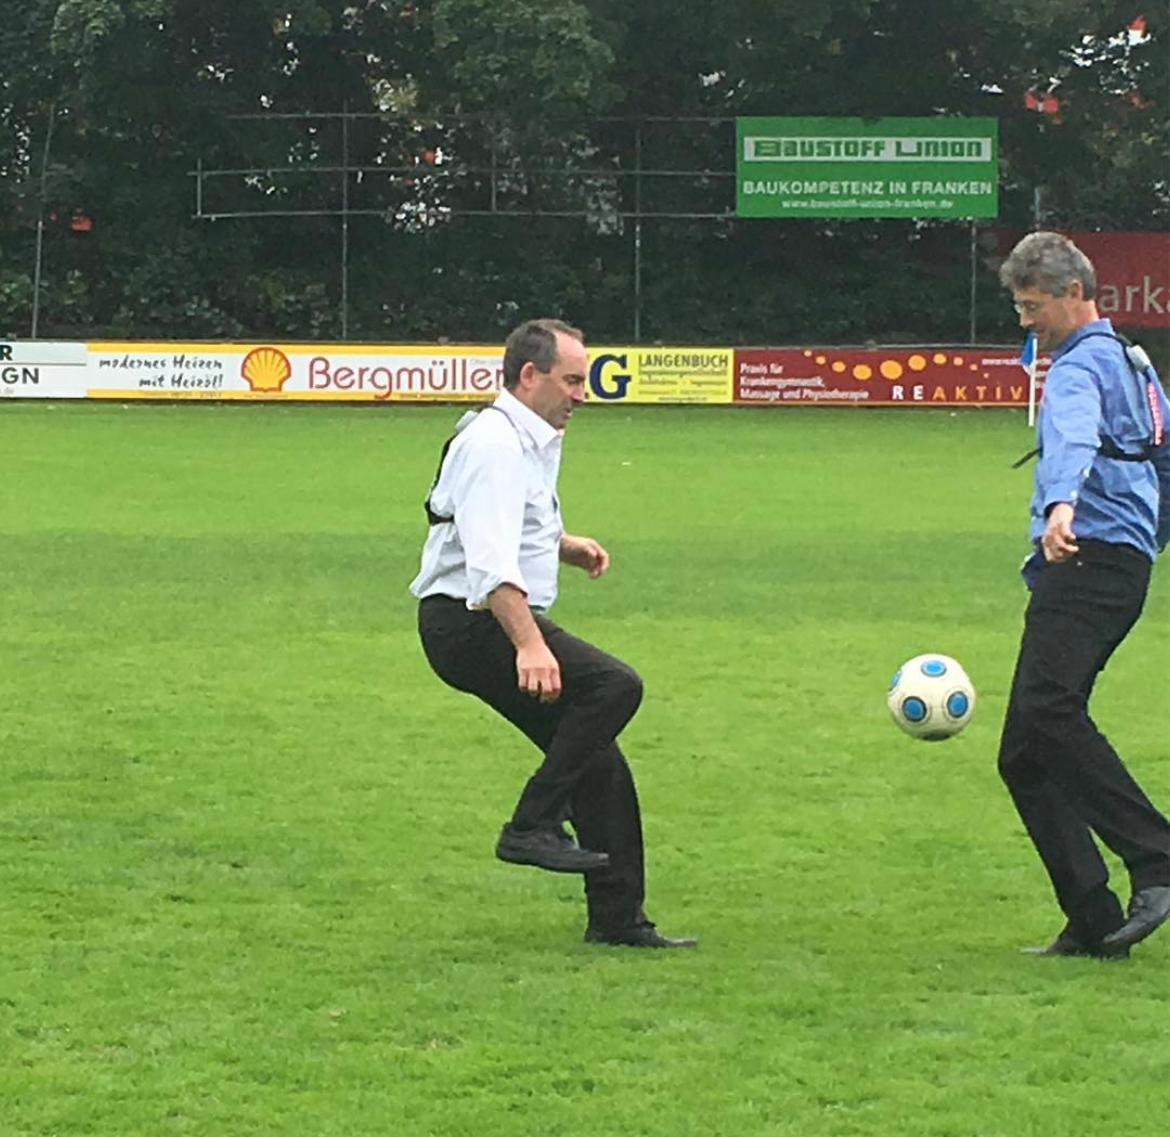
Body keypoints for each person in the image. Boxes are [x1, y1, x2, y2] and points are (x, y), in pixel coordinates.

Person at [409, 318, 695, 949]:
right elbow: (486, 565)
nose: (583, 393)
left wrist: (561, 546)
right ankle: (530, 824)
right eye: (572, 380)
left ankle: (618, 921)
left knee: (601, 766)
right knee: (614, 688)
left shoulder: (526, 438)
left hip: (484, 615)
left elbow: (486, 525)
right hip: (470, 622)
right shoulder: (495, 445)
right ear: (530, 376)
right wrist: (529, 644)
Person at [997, 231, 1170, 960]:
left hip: (1085, 558)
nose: (1026, 321)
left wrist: (1061, 506)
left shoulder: (1077, 368)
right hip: (1121, 564)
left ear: (1075, 293)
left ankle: (1156, 856)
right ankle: (1094, 919)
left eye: (1034, 306)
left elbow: (1070, 437)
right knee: (1024, 751)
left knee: (1048, 711)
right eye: (1018, 308)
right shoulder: (1132, 359)